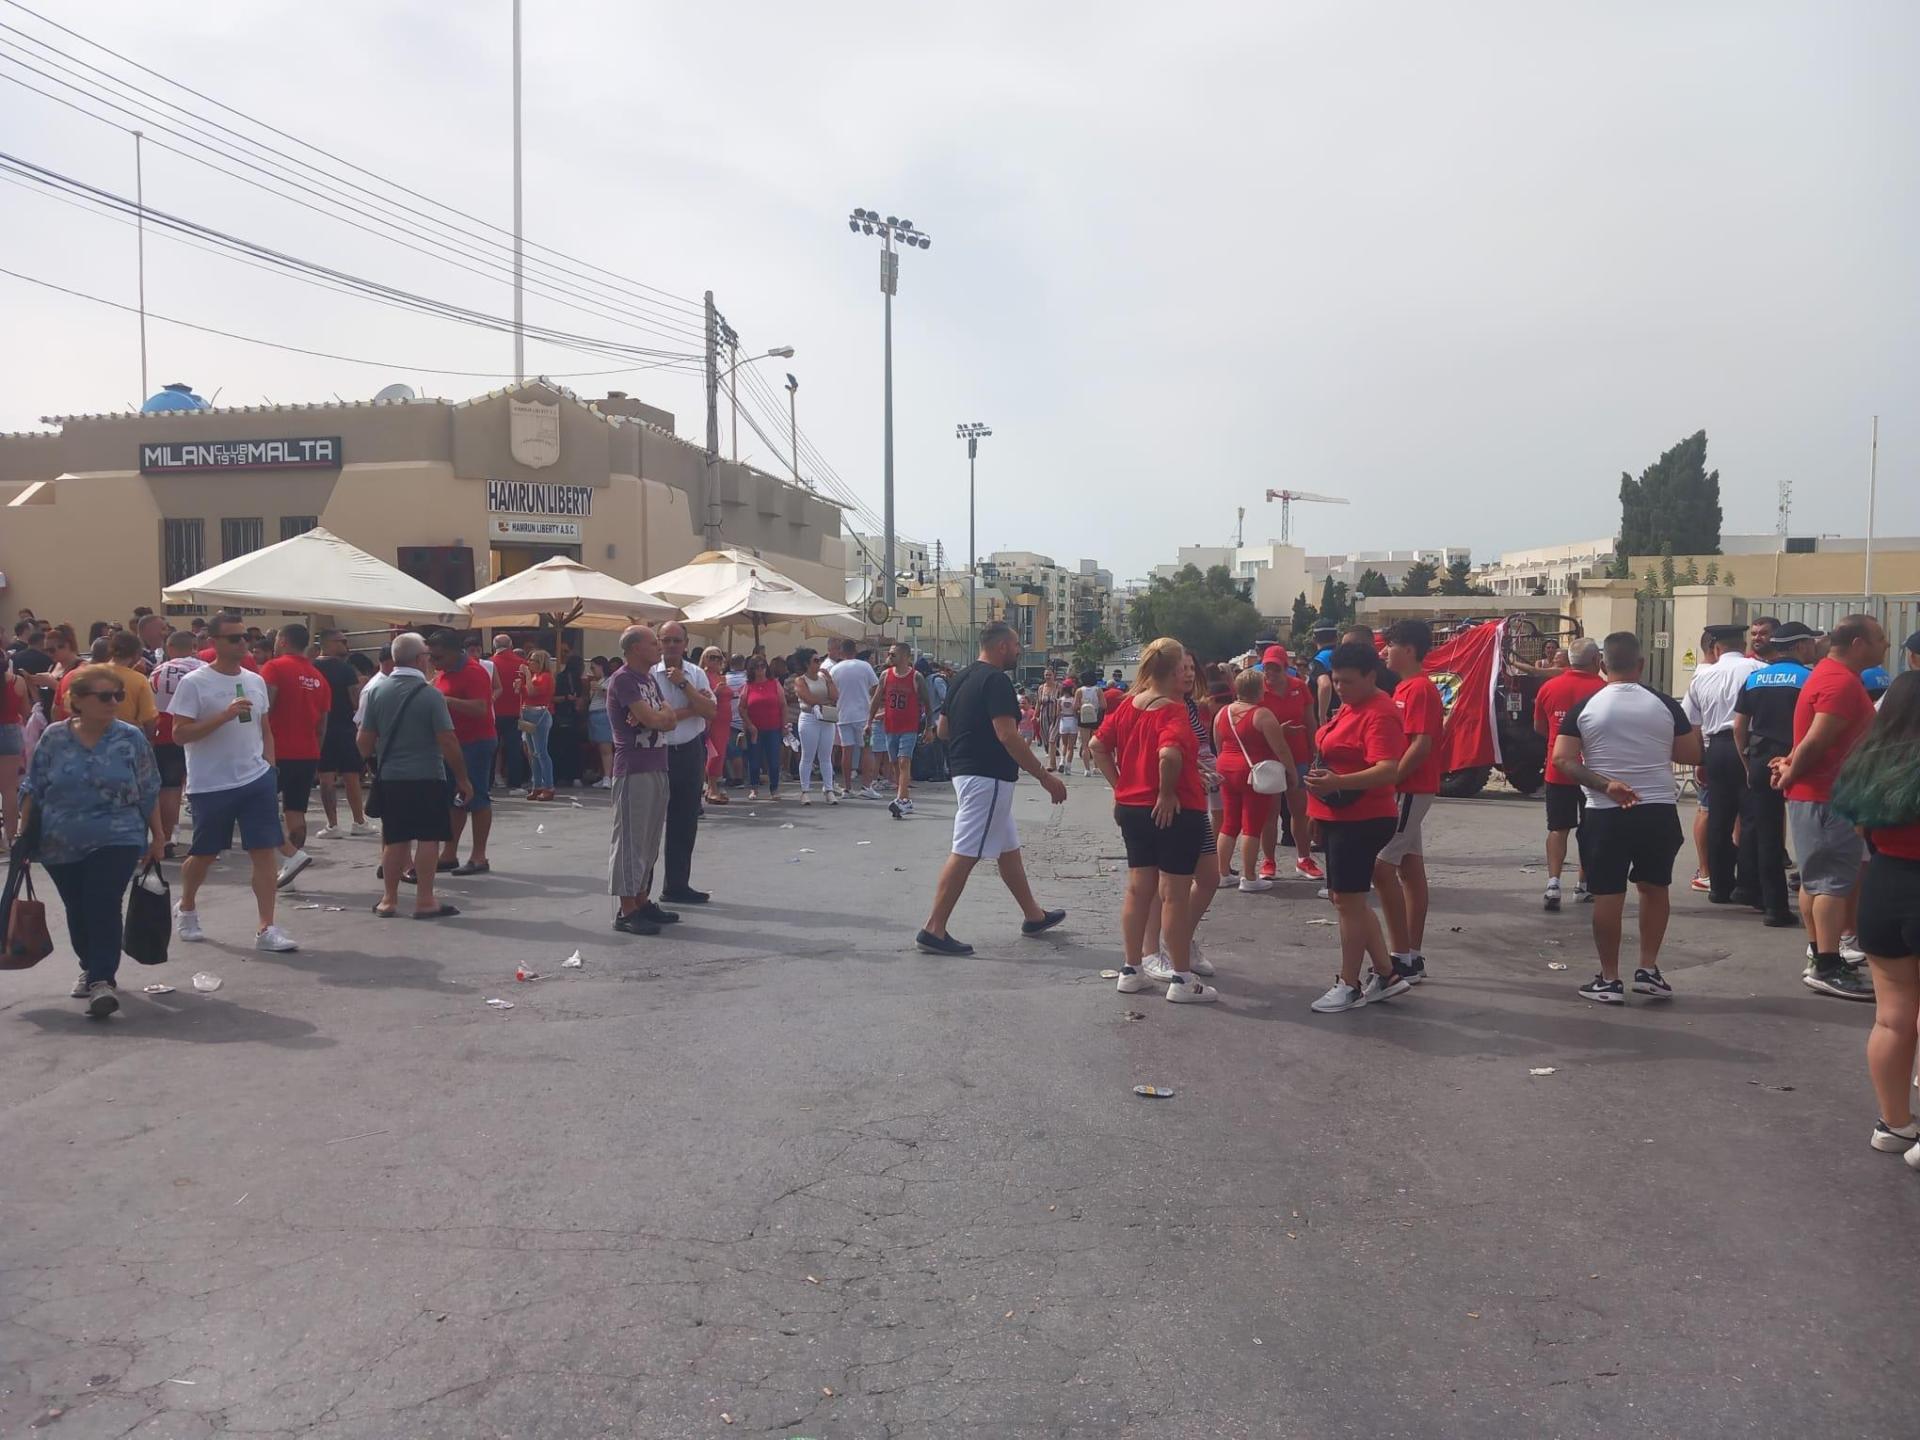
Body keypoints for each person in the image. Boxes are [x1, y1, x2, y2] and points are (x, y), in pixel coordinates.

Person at [1551, 632, 1700, 1004]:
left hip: (1605, 811)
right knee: (1654, 887)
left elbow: (1562, 760)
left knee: (1608, 894)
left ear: (1602, 666)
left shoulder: (1586, 706)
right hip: (1657, 809)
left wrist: (1606, 784)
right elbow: (1691, 753)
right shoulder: (1665, 704)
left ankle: (1609, 978)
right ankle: (1648, 969)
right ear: (1642, 664)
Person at [18, 663, 165, 1015]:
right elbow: (34, 787)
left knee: (102, 901)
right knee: (77, 907)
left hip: (118, 835)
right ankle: (90, 966)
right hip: (59, 840)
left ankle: (102, 979)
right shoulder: (54, 736)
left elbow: (148, 788)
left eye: (117, 695)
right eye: (104, 696)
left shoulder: (130, 737)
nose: (113, 701)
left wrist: (158, 835)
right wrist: (22, 836)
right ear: (77, 701)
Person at [915, 621, 1068, 955]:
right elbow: (1008, 734)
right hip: (988, 777)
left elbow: (943, 730)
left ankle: (1033, 915)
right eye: (1015, 646)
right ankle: (933, 928)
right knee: (966, 851)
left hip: (966, 772)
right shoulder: (997, 680)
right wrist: (1045, 776)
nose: (1018, 651)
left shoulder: (960, 678)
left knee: (1007, 848)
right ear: (1002, 646)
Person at [1091, 638, 1216, 1003]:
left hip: (1132, 808)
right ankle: (1181, 978)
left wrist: (1121, 786)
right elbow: (1169, 754)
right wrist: (1166, 791)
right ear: (1176, 669)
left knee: (1138, 888)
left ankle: (1131, 969)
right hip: (1174, 810)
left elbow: (1097, 746)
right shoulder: (1172, 709)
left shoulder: (1129, 705)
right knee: (1174, 894)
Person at [1771, 613, 1887, 1000]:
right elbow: (1817, 741)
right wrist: (1791, 771)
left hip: (1820, 794)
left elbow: (1808, 739)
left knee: (1817, 881)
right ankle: (1827, 963)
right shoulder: (1839, 682)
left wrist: (1790, 764)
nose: (1886, 646)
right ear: (1858, 644)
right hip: (1826, 796)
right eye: (1880, 639)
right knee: (1832, 884)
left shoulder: (1831, 676)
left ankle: (1819, 953)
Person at [1829, 671, 1920, 1164]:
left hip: (1884, 888)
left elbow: (1862, 827)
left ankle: (1895, 1123)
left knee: (1891, 1018)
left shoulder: (1872, 762)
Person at [168, 612, 297, 952]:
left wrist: (270, 767)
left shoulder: (254, 680)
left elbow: (264, 728)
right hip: (211, 782)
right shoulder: (194, 683)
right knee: (205, 854)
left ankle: (266, 927)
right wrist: (223, 715)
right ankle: (187, 906)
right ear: (213, 642)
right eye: (233, 638)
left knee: (264, 852)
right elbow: (179, 734)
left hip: (256, 778)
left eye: (244, 637)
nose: (242, 643)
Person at [1303, 642, 1414, 1013]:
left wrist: (1337, 783)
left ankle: (1349, 983)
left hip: (1363, 818)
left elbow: (1388, 769)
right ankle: (1386, 974)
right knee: (1345, 900)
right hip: (1341, 816)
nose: (1339, 688)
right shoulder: (1352, 707)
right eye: (1335, 681)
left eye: (1347, 681)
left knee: (1349, 903)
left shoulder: (1379, 712)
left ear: (1370, 676)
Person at [358, 632, 470, 919]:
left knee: (396, 839)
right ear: (420, 659)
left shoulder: (376, 692)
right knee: (428, 838)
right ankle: (424, 900)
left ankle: (389, 900)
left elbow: (364, 740)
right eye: (428, 656)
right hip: (426, 776)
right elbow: (448, 740)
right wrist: (462, 778)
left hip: (391, 777)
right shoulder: (430, 695)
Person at [1734, 621, 1820, 930]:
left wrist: (1747, 763)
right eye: (1811, 643)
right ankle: (1819, 899)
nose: (1815, 648)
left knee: (1765, 834)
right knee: (1808, 830)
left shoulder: (1756, 678)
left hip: (1760, 760)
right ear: (1799, 647)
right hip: (1798, 761)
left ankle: (1773, 906)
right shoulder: (1809, 678)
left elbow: (1739, 726)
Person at [1373, 620, 1446, 983]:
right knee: (1409, 871)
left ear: (1410, 650)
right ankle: (1411, 954)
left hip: (1410, 788)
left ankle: (1400, 954)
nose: (1385, 651)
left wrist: (1391, 778)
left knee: (1381, 867)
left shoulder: (1419, 690)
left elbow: (1421, 743)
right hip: (1409, 787)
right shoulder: (1405, 687)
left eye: (1391, 645)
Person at [1682, 623, 1763, 905]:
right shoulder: (1757, 671)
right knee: (1751, 818)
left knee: (1719, 818)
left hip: (1715, 748)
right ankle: (1749, 885)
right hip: (1750, 747)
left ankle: (1719, 885)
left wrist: (1699, 759)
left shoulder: (1702, 677)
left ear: (1716, 649)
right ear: (1743, 647)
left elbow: (1692, 723)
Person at [606, 625, 679, 936]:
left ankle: (641, 899)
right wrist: (656, 716)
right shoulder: (623, 679)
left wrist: (658, 716)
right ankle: (626, 910)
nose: (659, 647)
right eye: (653, 642)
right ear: (635, 648)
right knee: (630, 841)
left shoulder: (648, 678)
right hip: (633, 768)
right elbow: (652, 719)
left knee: (649, 841)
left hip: (656, 763)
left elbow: (669, 718)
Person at [1534, 637, 1607, 911]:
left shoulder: (1549, 687)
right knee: (1590, 829)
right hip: (1593, 771)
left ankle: (1553, 883)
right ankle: (1583, 884)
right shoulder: (1603, 689)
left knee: (1557, 827)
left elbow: (1540, 727)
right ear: (1596, 661)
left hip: (1558, 767)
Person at [256, 623, 332, 890]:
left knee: (259, 808)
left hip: (275, 752)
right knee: (295, 809)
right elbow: (322, 725)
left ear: (284, 640)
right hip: (307, 751)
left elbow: (264, 707)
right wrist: (315, 751)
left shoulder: (274, 668)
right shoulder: (318, 677)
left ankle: (289, 857)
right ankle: (291, 865)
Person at [651, 621, 718, 905]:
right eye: (666, 640)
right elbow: (653, 717)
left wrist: (683, 684)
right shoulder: (648, 675)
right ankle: (640, 893)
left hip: (689, 751)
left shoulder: (696, 673)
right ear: (658, 643)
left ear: (686, 644)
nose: (671, 646)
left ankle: (676, 885)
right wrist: (692, 709)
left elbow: (711, 711)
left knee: (685, 821)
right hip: (658, 752)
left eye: (676, 641)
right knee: (650, 824)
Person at [1214, 666, 1294, 894]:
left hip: (1226, 768)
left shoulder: (1223, 713)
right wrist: (1291, 772)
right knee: (1252, 824)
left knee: (1229, 823)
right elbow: (1280, 748)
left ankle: (1222, 873)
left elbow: (1219, 743)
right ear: (1259, 689)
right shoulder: (1262, 714)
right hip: (1253, 771)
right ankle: (1249, 876)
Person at [428, 629, 498, 875]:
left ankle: (479, 856)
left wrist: (445, 701)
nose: (433, 662)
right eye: (431, 657)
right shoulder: (442, 673)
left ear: (453, 652)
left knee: (476, 796)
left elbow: (481, 708)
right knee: (454, 799)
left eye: (437, 657)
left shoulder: (474, 672)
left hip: (476, 742)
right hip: (453, 742)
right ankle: (449, 853)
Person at [1255, 645, 1320, 883]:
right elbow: (1252, 725)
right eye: (1266, 668)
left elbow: (1310, 720)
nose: (1269, 673)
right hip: (1269, 758)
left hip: (1299, 756)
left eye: (1274, 668)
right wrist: (1276, 733)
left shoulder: (1300, 687)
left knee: (1299, 811)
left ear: (1285, 668)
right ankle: (1269, 860)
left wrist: (1315, 750)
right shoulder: (1258, 690)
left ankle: (1304, 858)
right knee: (1269, 812)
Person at [145, 631, 205, 859]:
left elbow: (153, 707)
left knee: (169, 788)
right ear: (193, 646)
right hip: (200, 732)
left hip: (166, 734)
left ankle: (168, 838)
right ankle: (207, 840)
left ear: (169, 648)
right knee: (202, 786)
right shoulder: (204, 668)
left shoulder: (159, 671)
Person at [312, 629, 371, 838]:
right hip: (344, 727)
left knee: (326, 777)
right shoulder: (345, 670)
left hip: (321, 728)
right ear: (330, 643)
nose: (346, 646)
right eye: (342, 641)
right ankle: (359, 821)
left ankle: (332, 825)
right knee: (351, 775)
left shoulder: (312, 668)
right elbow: (355, 701)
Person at [879, 642, 930, 817]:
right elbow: (877, 698)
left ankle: (903, 800)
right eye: (889, 654)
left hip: (909, 726)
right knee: (894, 762)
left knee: (903, 761)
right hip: (890, 726)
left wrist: (929, 727)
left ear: (905, 657)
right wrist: (868, 721)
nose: (890, 657)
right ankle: (903, 796)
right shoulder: (886, 675)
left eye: (894, 654)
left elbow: (927, 703)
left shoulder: (916, 677)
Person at [827, 640, 880, 799]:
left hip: (843, 715)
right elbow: (876, 687)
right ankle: (866, 786)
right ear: (855, 651)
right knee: (866, 750)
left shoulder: (834, 669)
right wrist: (867, 696)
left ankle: (847, 788)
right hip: (862, 714)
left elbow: (831, 692)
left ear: (841, 652)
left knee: (846, 750)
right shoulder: (865, 666)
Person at [793, 649, 839, 804]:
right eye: (815, 660)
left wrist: (830, 680)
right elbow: (807, 698)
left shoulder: (823, 678)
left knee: (826, 756)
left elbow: (835, 696)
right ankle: (805, 791)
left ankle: (829, 789)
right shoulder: (801, 680)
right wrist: (824, 702)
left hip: (826, 717)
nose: (819, 663)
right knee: (808, 756)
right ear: (807, 664)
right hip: (809, 718)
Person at [741, 656, 786, 802]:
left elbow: (783, 705)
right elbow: (742, 708)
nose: (760, 670)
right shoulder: (748, 686)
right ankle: (753, 788)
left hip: (773, 727)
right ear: (751, 670)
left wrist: (784, 724)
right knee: (754, 759)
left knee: (773, 760)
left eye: (762, 666)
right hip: (755, 730)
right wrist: (749, 725)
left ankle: (774, 788)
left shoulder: (774, 683)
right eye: (756, 667)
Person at [517, 648, 558, 801]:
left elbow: (534, 692)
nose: (529, 662)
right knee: (532, 753)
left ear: (540, 663)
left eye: (533, 660)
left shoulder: (545, 677)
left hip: (539, 714)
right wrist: (520, 686)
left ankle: (549, 786)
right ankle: (537, 785)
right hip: (528, 712)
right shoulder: (535, 676)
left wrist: (527, 676)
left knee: (541, 752)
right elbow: (527, 692)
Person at [491, 633, 530, 792]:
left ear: (494, 646)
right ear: (511, 645)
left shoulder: (489, 664)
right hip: (516, 711)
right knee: (514, 748)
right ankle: (515, 783)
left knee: (492, 748)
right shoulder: (522, 663)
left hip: (493, 711)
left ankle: (489, 781)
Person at [0, 648, 29, 846]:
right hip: (11, 732)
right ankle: (11, 838)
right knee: (9, 790)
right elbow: (25, 711)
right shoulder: (18, 681)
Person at [700, 647, 734, 805]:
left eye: (718, 658)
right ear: (705, 659)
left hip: (725, 720)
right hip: (713, 719)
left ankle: (712, 786)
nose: (715, 661)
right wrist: (715, 691)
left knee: (720, 753)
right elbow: (702, 697)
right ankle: (712, 787)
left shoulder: (722, 677)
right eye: (712, 657)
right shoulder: (703, 676)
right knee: (715, 754)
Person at [585, 656, 615, 787]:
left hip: (603, 714)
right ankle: (604, 776)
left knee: (606, 747)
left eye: (593, 667)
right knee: (599, 748)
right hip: (594, 714)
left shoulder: (610, 680)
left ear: (601, 666)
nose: (592, 671)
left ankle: (608, 777)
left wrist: (600, 689)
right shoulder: (600, 680)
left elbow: (613, 695)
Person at [1073, 670, 1105, 776]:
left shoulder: (1079, 691)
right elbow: (1104, 705)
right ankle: (1096, 767)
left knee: (1085, 744)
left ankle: (1087, 769)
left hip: (1083, 718)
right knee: (1095, 744)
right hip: (1095, 719)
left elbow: (1075, 706)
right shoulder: (1098, 690)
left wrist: (1079, 710)